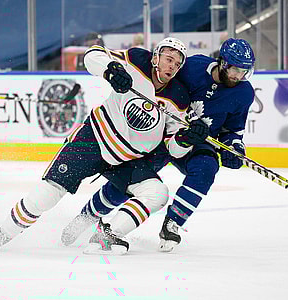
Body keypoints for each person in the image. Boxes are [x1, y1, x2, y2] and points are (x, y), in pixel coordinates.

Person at [0, 37, 210, 253]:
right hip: (94, 140)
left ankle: (109, 233)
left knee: (158, 193)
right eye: (168, 59)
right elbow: (93, 55)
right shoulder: (136, 59)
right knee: (48, 194)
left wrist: (187, 139)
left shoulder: (179, 98)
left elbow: (174, 148)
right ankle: (4, 233)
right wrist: (111, 70)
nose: (172, 66)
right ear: (156, 57)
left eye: (178, 64)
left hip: (127, 160)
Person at [61, 38, 256, 253]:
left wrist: (235, 148)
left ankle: (173, 223)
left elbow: (233, 131)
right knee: (129, 182)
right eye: (236, 69)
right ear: (223, 63)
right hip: (161, 133)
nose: (239, 76)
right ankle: (86, 217)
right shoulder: (194, 66)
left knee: (207, 168)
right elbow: (162, 78)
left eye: (244, 71)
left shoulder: (244, 93)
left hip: (196, 140)